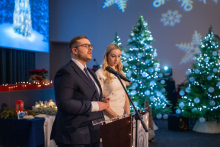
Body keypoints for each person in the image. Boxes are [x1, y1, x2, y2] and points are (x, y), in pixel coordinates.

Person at [51, 36, 110, 147]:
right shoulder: (66, 72)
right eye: (86, 46)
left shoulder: (90, 72)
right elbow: (64, 103)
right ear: (75, 50)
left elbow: (87, 97)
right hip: (75, 135)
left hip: (93, 131)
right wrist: (95, 105)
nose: (90, 49)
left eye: (91, 46)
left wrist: (101, 102)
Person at [96, 44, 130, 122]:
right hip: (108, 116)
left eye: (119, 56)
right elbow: (100, 99)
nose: (116, 59)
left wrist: (127, 114)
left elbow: (125, 94)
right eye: (113, 56)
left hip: (122, 115)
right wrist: (115, 116)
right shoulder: (100, 73)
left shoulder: (120, 73)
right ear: (107, 56)